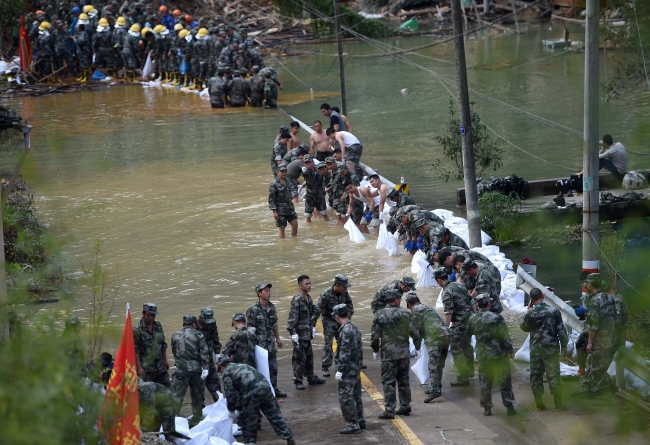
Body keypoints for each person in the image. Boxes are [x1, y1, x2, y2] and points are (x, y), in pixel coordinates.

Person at [218, 357, 295, 445]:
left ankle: (250, 443)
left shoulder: (227, 372)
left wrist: (231, 410)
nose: (221, 373)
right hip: (266, 387)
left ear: (221, 367)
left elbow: (230, 394)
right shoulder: (242, 365)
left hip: (252, 391)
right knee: (274, 415)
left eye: (220, 371)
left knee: (249, 419)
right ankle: (289, 437)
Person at [371, 289, 421, 419]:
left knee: (388, 382)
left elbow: (375, 336)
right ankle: (405, 406)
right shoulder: (406, 313)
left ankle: (389, 410)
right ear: (396, 300)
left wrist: (375, 350)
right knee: (404, 381)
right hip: (403, 353)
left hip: (388, 354)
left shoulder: (380, 314)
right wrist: (418, 348)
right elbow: (415, 332)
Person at [520, 287, 569, 411]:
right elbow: (561, 331)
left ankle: (539, 404)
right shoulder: (554, 311)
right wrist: (564, 347)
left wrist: (528, 312)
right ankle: (558, 404)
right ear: (543, 296)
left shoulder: (530, 313)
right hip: (551, 349)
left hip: (536, 348)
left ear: (531, 299)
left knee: (536, 375)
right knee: (553, 375)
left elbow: (524, 328)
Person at [468, 294, 516, 417]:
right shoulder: (497, 318)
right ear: (489, 304)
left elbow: (469, 333)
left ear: (478, 305)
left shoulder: (473, 319)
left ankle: (487, 408)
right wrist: (510, 350)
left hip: (483, 356)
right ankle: (509, 406)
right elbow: (504, 336)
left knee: (485, 382)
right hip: (499, 355)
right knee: (504, 381)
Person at [573, 273, 618, 398]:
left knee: (595, 366)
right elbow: (614, 317)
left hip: (600, 338)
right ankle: (608, 387)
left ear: (591, 284)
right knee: (600, 366)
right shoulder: (609, 298)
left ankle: (593, 390)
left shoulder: (594, 300)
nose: (585, 284)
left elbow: (594, 324)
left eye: (587, 283)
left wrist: (590, 342)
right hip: (610, 336)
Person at [405, 292, 451, 403]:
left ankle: (435, 390)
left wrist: (417, 348)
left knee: (433, 365)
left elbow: (415, 331)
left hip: (436, 338)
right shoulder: (427, 308)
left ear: (409, 304)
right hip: (447, 336)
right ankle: (436, 386)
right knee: (439, 364)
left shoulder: (415, 310)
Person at [433, 267, 475, 386]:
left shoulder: (446, 292)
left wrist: (446, 328)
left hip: (460, 323)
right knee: (467, 345)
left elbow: (448, 312)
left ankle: (463, 377)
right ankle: (470, 371)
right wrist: (475, 316)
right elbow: (471, 301)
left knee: (456, 349)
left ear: (438, 280)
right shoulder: (460, 285)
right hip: (470, 321)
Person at [246, 283, 287, 397]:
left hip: (270, 343)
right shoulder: (253, 310)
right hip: (259, 345)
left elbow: (274, 324)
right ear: (259, 293)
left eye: (269, 291)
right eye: (265, 291)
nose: (268, 293)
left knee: (273, 368)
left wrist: (278, 338)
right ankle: (262, 392)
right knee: (261, 370)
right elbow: (250, 329)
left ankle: (274, 390)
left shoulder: (271, 307)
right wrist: (252, 346)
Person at [287, 275, 326, 390]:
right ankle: (298, 380)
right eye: (306, 284)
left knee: (309, 356)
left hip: (307, 334)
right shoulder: (297, 300)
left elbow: (311, 316)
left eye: (310, 283)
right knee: (299, 358)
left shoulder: (308, 298)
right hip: (299, 335)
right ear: (300, 286)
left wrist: (313, 327)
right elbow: (292, 319)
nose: (309, 286)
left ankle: (310, 378)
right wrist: (293, 333)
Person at [170, 315, 209, 427]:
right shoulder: (198, 334)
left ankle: (174, 420)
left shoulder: (175, 335)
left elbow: (174, 352)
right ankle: (197, 420)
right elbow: (204, 353)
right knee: (197, 395)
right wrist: (205, 368)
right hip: (195, 370)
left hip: (180, 369)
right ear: (193, 324)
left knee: (177, 395)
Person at [332, 303, 365, 434]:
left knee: (346, 397)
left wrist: (340, 369)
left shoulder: (345, 330)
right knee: (356, 396)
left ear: (336, 316)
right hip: (355, 367)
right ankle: (361, 421)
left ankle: (352, 424)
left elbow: (344, 352)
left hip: (347, 370)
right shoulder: (354, 327)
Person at [316, 275, 355, 377]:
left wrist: (347, 318)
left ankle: (340, 364)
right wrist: (312, 325)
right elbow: (318, 310)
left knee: (343, 342)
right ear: (337, 285)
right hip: (329, 319)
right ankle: (325, 366)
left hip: (341, 320)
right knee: (328, 344)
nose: (345, 289)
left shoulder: (344, 293)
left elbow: (350, 306)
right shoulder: (325, 295)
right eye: (344, 286)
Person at [133, 303, 171, 387]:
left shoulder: (158, 325)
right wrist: (139, 367)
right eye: (148, 315)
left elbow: (163, 344)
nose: (151, 318)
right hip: (147, 368)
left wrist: (165, 360)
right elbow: (136, 350)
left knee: (168, 389)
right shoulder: (137, 329)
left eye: (153, 316)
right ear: (143, 313)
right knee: (148, 392)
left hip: (160, 366)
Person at [196, 307, 222, 404]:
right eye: (206, 321)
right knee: (200, 384)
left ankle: (219, 402)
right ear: (200, 317)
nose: (208, 323)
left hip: (209, 356)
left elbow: (215, 338)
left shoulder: (212, 323)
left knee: (214, 379)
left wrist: (217, 353)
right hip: (198, 359)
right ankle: (200, 407)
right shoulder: (194, 326)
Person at [268, 162, 298, 239]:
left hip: (290, 207)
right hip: (280, 210)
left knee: (295, 224)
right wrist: (274, 212)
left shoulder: (288, 181)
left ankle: (294, 241)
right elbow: (271, 199)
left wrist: (293, 194)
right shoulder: (274, 184)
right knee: (282, 228)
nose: (284, 173)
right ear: (278, 172)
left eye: (285, 171)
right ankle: (282, 246)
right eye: (282, 171)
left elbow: (294, 188)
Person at [302, 154, 330, 223]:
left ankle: (327, 226)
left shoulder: (319, 170)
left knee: (324, 214)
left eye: (309, 162)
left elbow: (325, 177)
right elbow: (306, 176)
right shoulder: (306, 172)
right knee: (308, 216)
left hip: (320, 196)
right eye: (306, 163)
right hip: (310, 196)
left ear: (313, 162)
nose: (308, 164)